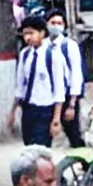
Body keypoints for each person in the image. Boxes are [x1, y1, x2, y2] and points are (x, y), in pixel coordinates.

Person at [8, 16, 65, 147]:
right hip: (28, 108)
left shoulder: (53, 55)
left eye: (31, 33)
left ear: (42, 33)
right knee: (28, 146)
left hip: (45, 109)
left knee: (40, 148)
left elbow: (59, 89)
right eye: (25, 34)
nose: (27, 37)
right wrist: (13, 111)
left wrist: (56, 119)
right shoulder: (25, 54)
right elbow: (20, 85)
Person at [43, 11, 84, 149]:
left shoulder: (69, 45)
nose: (56, 26)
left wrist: (72, 104)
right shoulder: (43, 46)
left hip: (67, 97)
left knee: (73, 134)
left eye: (59, 23)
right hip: (48, 96)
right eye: (52, 23)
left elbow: (76, 74)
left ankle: (87, 165)